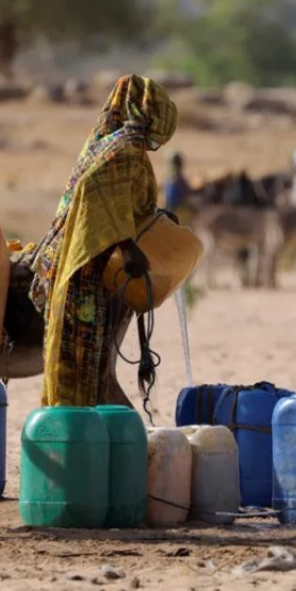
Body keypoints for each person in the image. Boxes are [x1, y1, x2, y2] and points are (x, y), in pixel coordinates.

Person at [26, 74, 177, 407]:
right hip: (85, 269)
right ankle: (78, 434)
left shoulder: (113, 141)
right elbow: (96, 195)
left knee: (86, 362)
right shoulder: (124, 150)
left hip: (84, 260)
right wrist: (126, 245)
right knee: (83, 362)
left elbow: (121, 200)